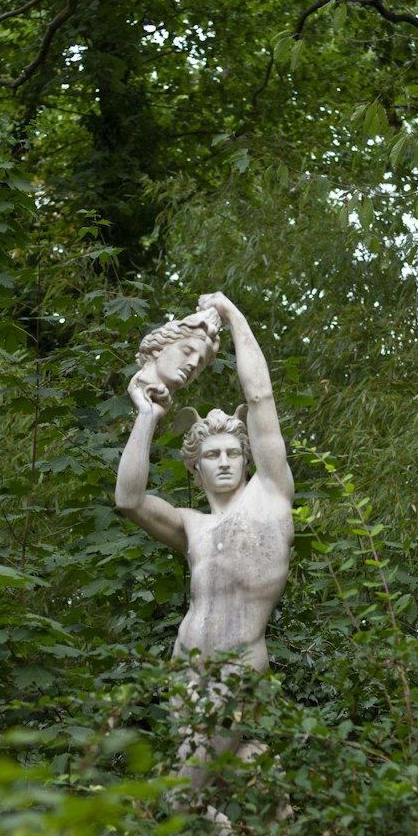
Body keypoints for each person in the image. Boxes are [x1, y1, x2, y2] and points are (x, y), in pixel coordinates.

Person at [115, 292, 294, 786]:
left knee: (187, 790)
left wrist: (232, 314)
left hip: (239, 662)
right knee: (249, 776)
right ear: (196, 469)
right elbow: (129, 499)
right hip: (186, 664)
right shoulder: (192, 525)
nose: (223, 462)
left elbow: (259, 397)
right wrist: (146, 417)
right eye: (211, 455)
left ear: (248, 458)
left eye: (233, 453)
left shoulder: (270, 496)